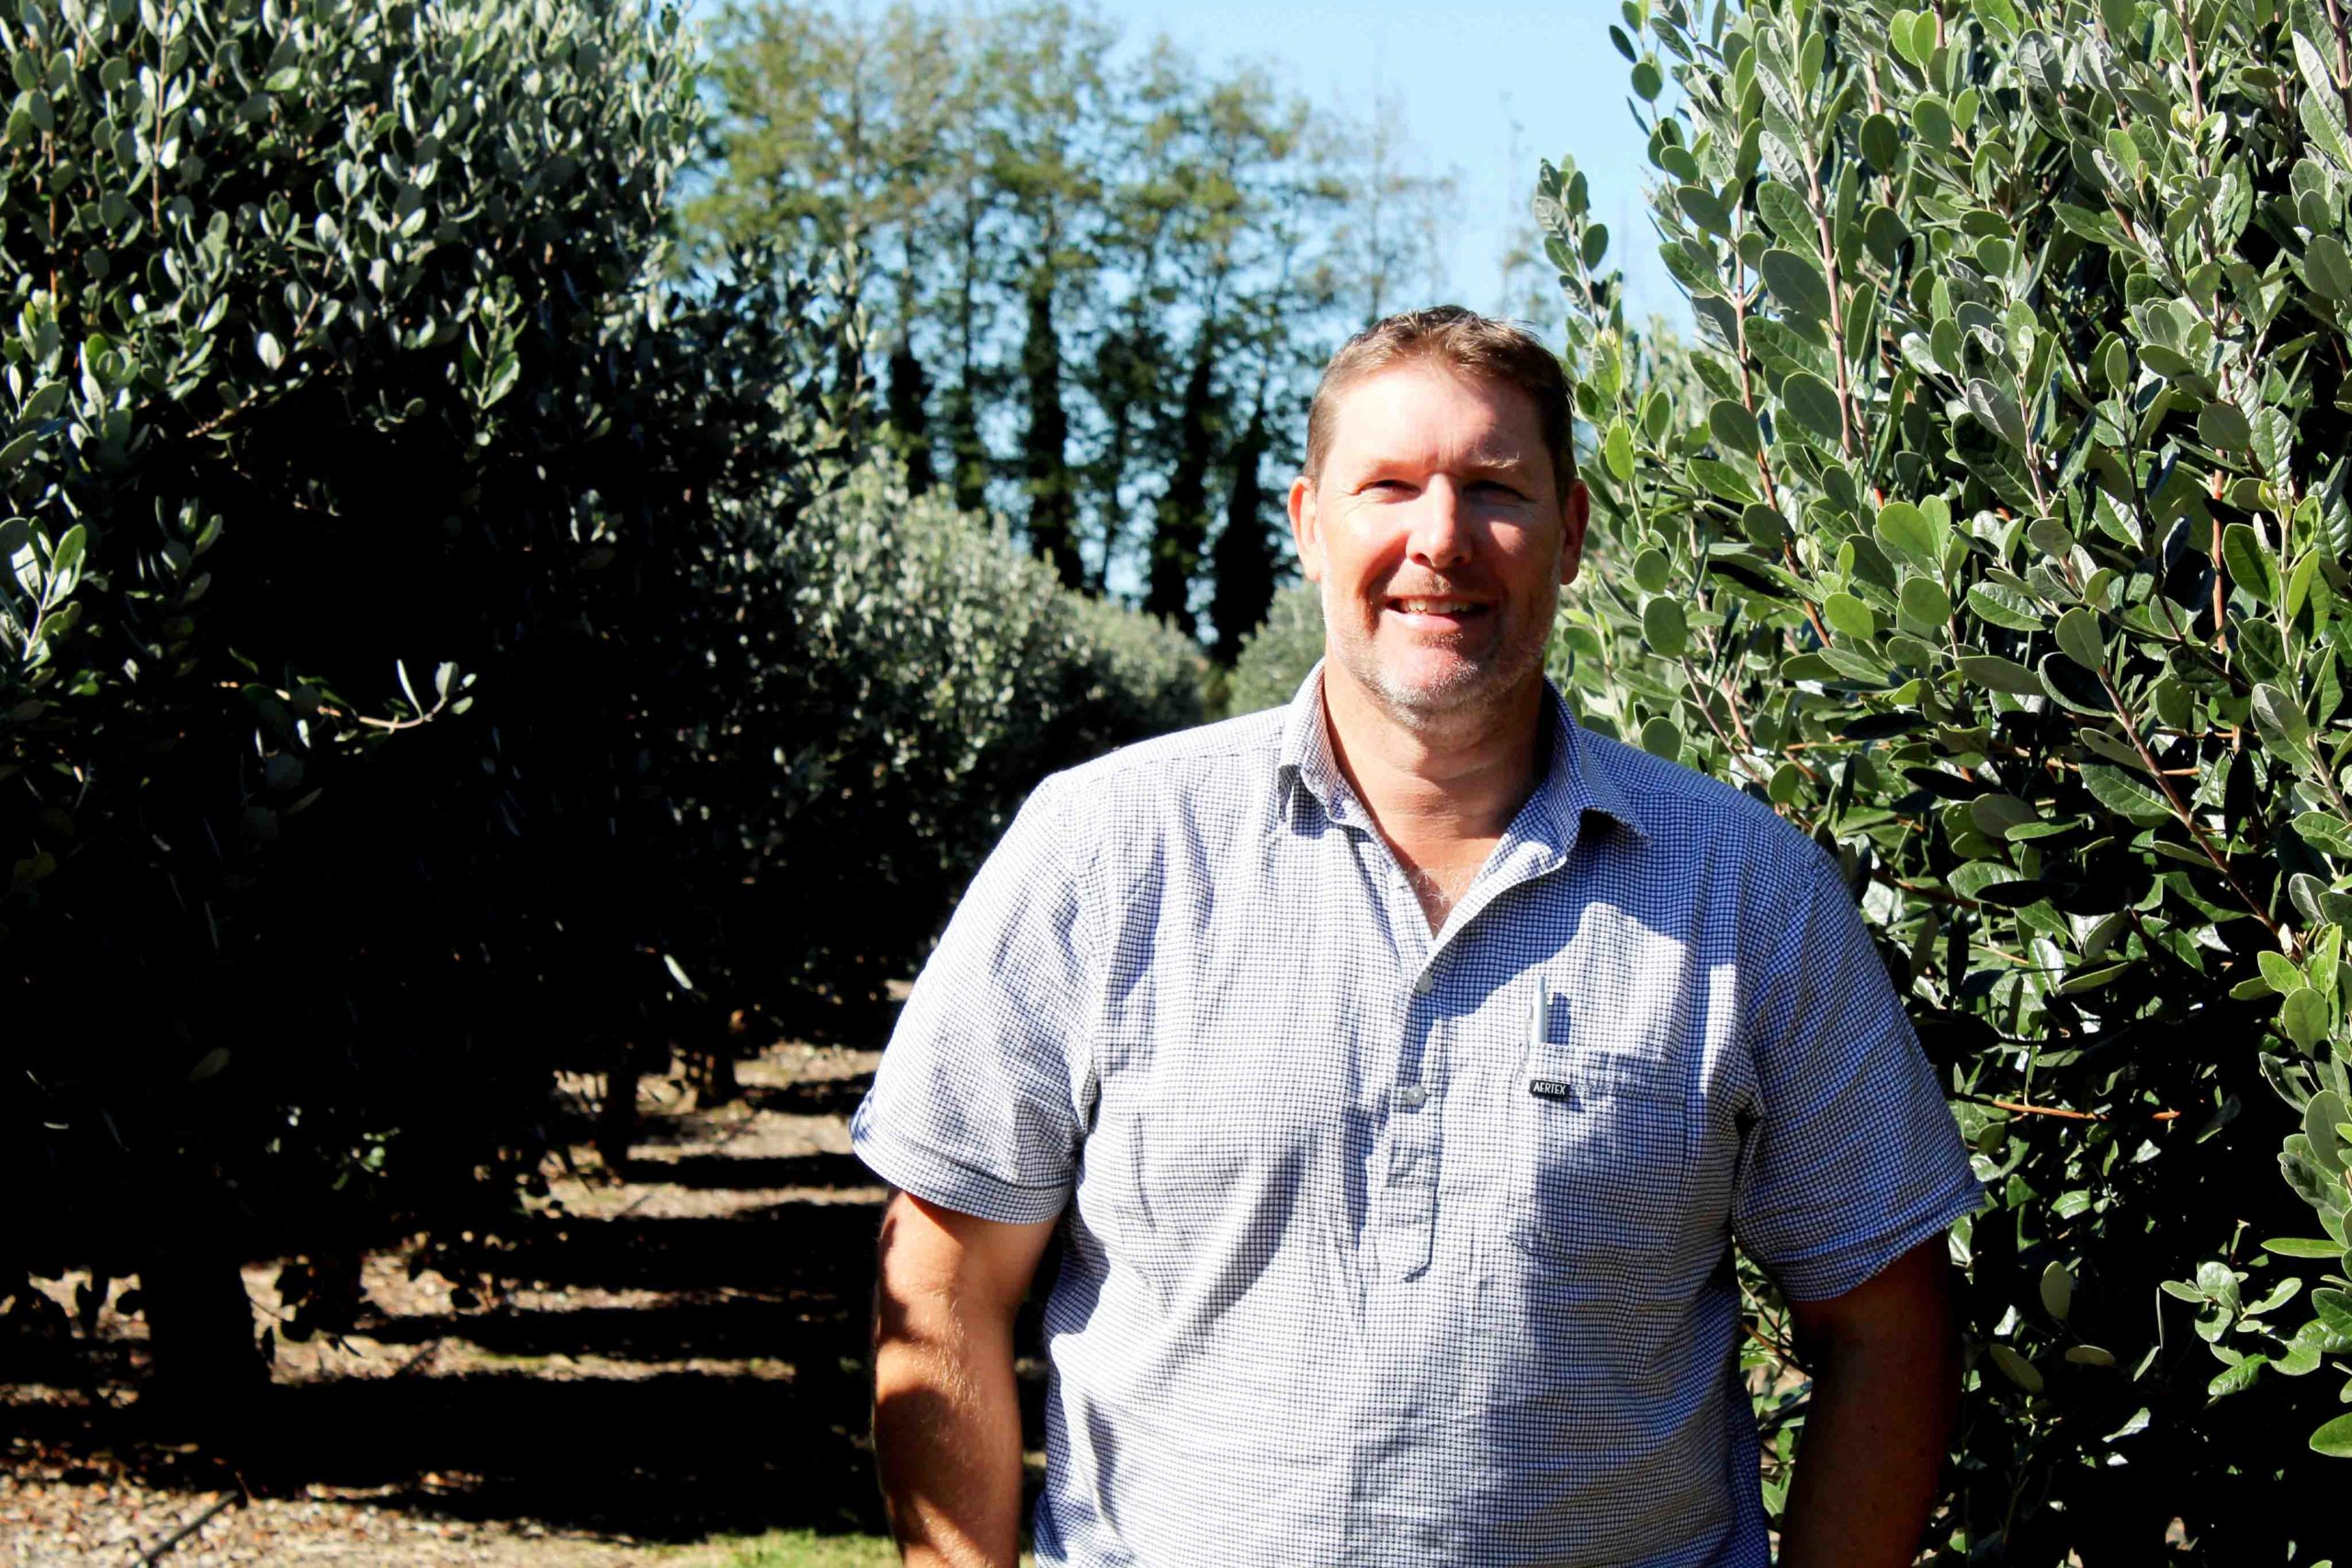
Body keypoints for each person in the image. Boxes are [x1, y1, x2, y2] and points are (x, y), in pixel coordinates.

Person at [851, 306, 1984, 1568]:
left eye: (1495, 489)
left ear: (1574, 534)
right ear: (1308, 525)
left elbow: (1888, 1322)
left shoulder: (1745, 890)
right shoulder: (1105, 851)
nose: (1440, 540)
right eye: (1389, 485)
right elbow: (943, 1272)